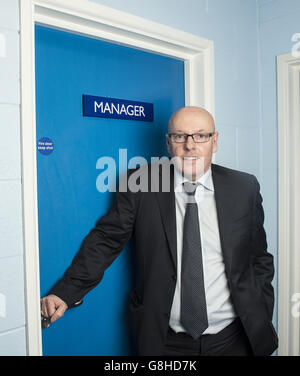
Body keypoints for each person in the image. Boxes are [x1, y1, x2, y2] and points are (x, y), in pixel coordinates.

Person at [41, 106, 278, 356]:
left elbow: (258, 257)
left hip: (234, 338)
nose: (190, 145)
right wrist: (66, 291)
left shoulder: (243, 187)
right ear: (168, 142)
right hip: (165, 341)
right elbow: (106, 240)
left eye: (201, 135)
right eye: (180, 136)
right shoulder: (140, 184)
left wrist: (261, 307)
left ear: (214, 141)